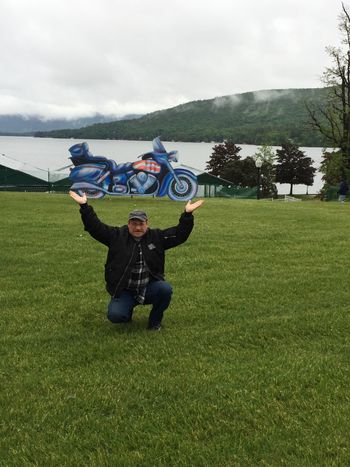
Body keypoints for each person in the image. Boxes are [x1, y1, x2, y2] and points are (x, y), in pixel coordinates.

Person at [69, 191, 204, 330]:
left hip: (148, 287)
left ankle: (155, 322)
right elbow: (95, 228)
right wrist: (84, 206)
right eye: (134, 224)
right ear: (128, 224)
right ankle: (126, 311)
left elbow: (179, 235)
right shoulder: (116, 236)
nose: (138, 227)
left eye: (141, 224)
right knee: (116, 316)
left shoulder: (157, 237)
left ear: (147, 224)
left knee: (165, 289)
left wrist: (187, 214)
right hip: (124, 290)